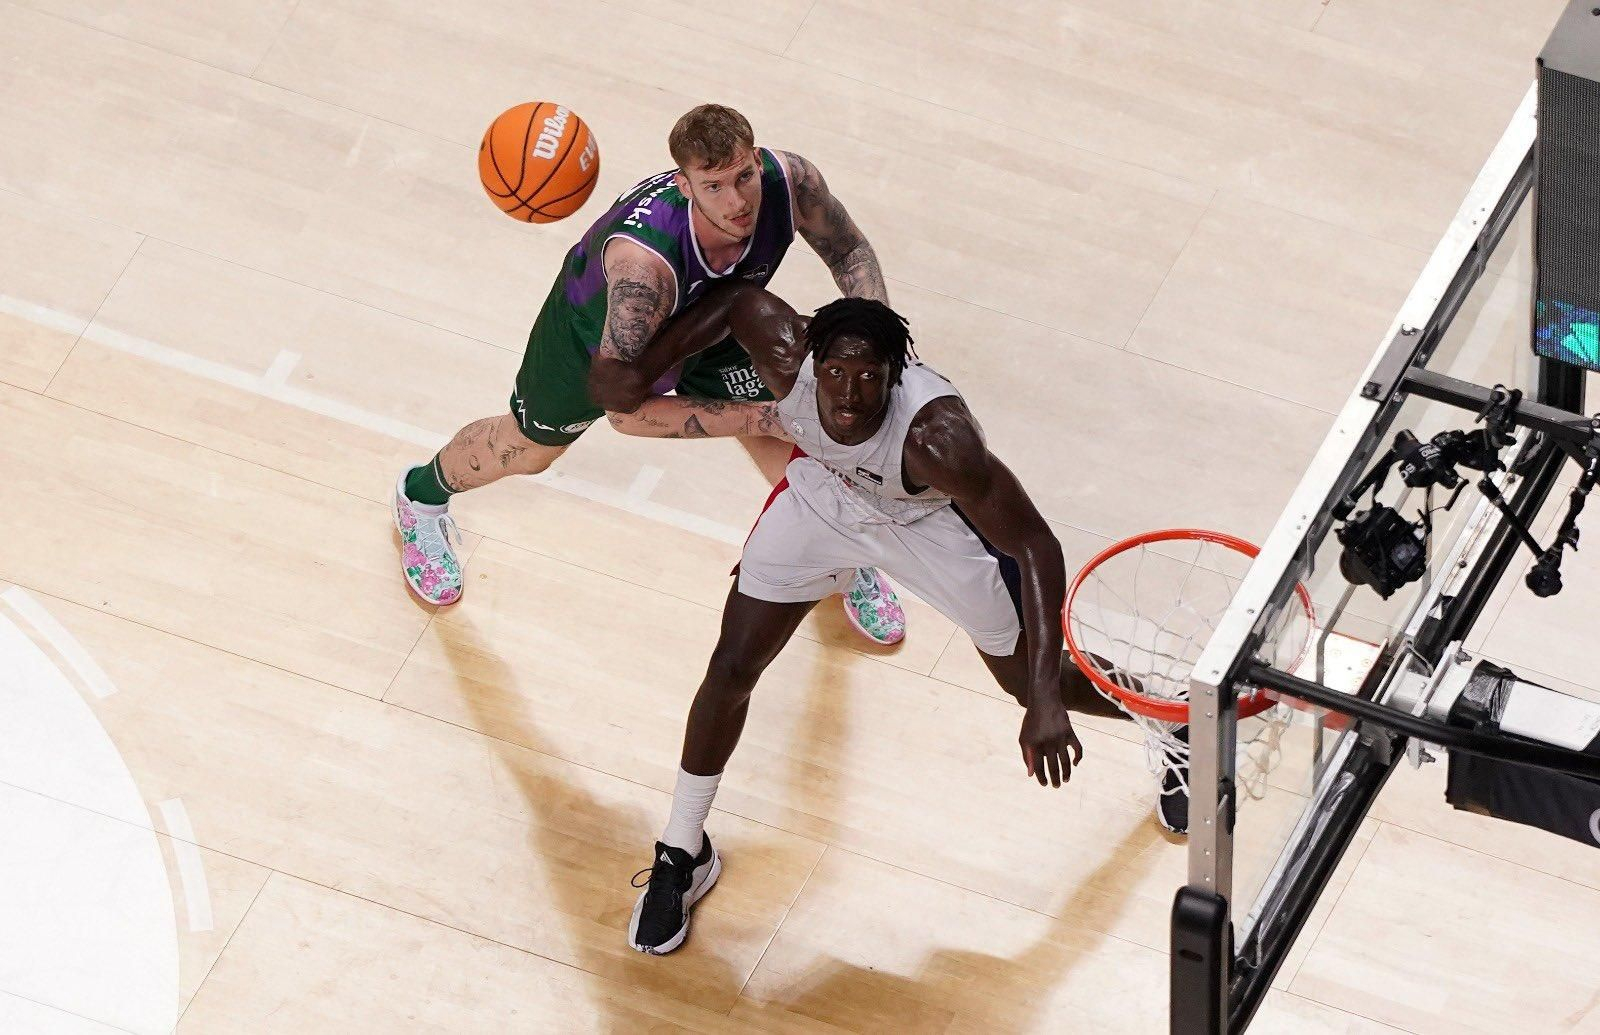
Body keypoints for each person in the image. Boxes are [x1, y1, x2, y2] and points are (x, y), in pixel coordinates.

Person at [618, 286, 1189, 956]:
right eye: (836, 372)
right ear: (812, 361)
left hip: (928, 524)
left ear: (895, 375)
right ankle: (683, 849)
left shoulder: (936, 440)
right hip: (826, 498)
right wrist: (644, 366)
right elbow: (734, 303)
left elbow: (1037, 545)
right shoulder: (785, 355)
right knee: (732, 665)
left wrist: (1042, 701)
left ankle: (1174, 721)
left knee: (1032, 683)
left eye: (870, 377)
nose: (849, 393)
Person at [391, 104, 908, 645]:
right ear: (684, 186)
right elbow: (627, 413)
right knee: (527, 451)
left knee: (797, 436)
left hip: (718, 319)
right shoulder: (642, 273)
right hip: (598, 343)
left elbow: (849, 250)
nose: (736, 202)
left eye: (743, 177)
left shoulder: (792, 183)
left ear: (757, 160)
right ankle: (419, 497)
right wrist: (761, 416)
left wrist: (879, 340)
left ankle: (840, 555)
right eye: (713, 187)